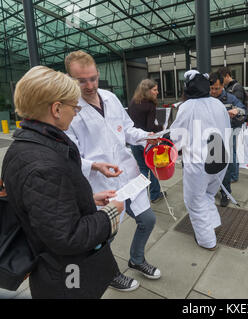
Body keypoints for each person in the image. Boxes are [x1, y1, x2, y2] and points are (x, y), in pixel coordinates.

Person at [1, 66, 123, 299]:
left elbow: (45, 207)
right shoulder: (44, 165)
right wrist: (110, 215)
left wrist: (85, 199)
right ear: (56, 109)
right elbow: (67, 238)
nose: (76, 113)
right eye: (73, 107)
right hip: (67, 278)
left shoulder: (24, 146)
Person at [64, 51, 161, 292]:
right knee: (105, 234)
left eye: (93, 78)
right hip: (99, 183)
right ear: (70, 78)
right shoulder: (69, 109)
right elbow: (70, 153)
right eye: (81, 81)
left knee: (147, 220)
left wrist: (147, 137)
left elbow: (127, 128)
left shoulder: (109, 97)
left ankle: (136, 259)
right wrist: (94, 166)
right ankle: (110, 273)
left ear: (98, 74)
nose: (89, 85)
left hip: (127, 173)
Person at [170, 70, 230, 250]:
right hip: (220, 156)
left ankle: (206, 240)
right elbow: (226, 127)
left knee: (194, 201)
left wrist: (175, 150)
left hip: (199, 161)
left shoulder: (187, 107)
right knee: (208, 194)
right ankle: (212, 224)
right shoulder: (218, 104)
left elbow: (177, 135)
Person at [209, 72, 246, 207]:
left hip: (227, 134)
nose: (213, 91)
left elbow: (243, 110)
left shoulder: (231, 98)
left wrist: (236, 111)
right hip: (210, 137)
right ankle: (211, 190)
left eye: (216, 88)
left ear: (222, 86)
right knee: (211, 164)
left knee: (227, 164)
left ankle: (226, 192)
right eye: (211, 88)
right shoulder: (206, 99)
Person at [128, 78, 166, 203]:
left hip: (134, 141)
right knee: (154, 168)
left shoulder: (133, 102)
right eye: (155, 90)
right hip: (147, 141)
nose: (157, 92)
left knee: (142, 169)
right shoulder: (150, 105)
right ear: (147, 91)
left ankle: (139, 197)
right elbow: (150, 127)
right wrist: (161, 127)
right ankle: (155, 195)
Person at [217, 67, 245, 183]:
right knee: (230, 150)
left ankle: (233, 175)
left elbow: (239, 108)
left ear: (227, 75)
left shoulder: (236, 88)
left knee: (231, 150)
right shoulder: (231, 87)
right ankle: (232, 174)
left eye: (222, 79)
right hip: (229, 125)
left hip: (233, 125)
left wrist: (234, 112)